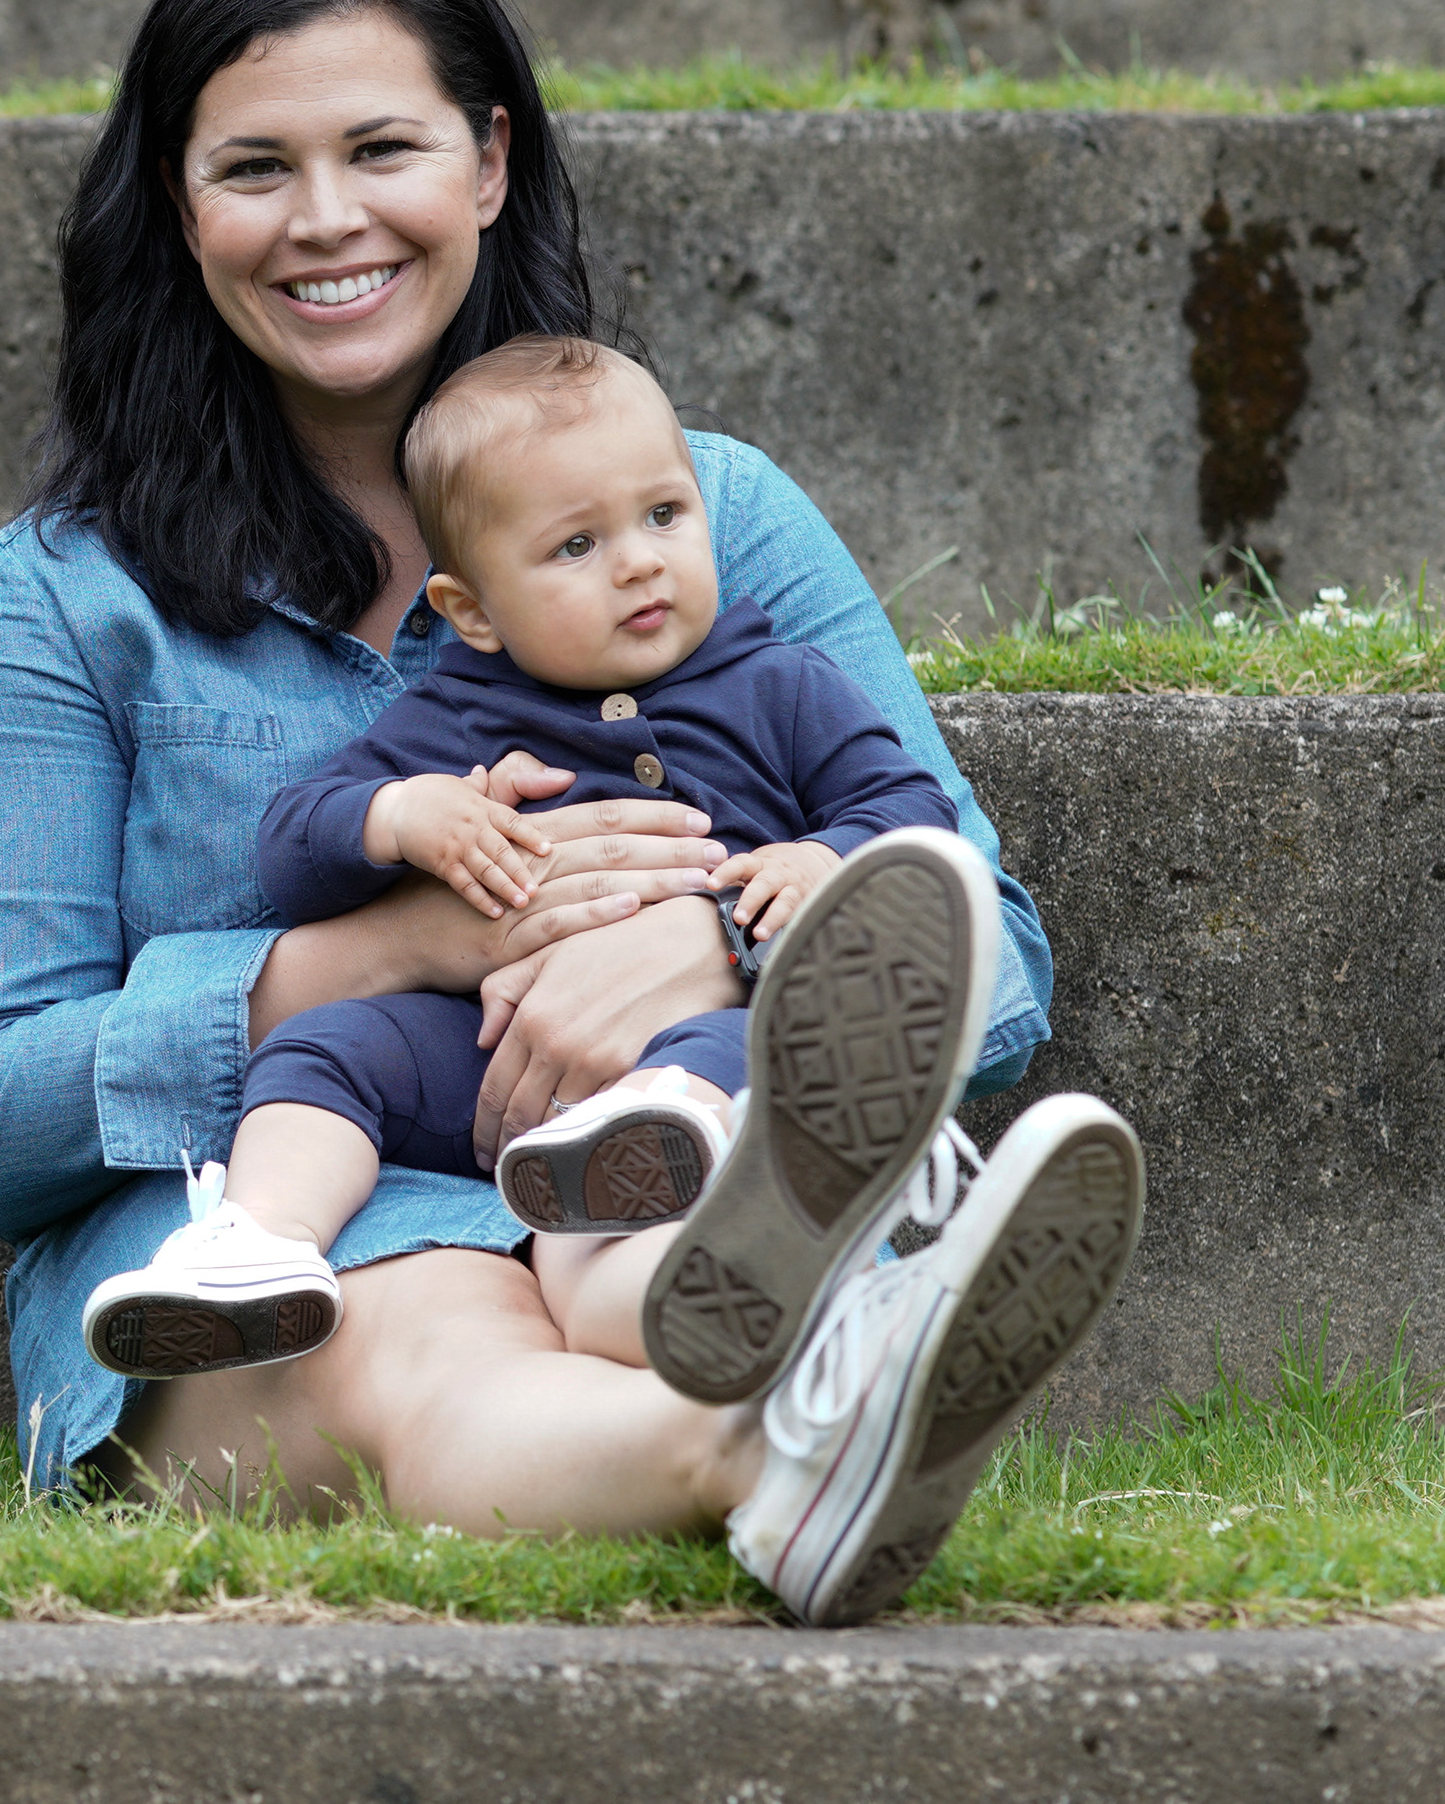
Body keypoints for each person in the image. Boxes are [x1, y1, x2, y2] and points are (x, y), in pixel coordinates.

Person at [0, 0, 1143, 1627]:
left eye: (381, 148)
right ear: (180, 210)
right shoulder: (62, 597)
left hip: (653, 1169)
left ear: (487, 163)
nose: (324, 218)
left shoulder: (708, 515)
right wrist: (386, 953)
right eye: (253, 167)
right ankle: (789, 1439)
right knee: (426, 1328)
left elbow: (989, 952)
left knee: (642, 1259)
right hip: (258, 1248)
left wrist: (710, 946)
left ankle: (807, 1389)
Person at [76, 334, 973, 1395]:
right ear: (472, 612)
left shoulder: (781, 682)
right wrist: (402, 815)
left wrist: (826, 856)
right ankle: (258, 1240)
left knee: (752, 1047)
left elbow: (914, 814)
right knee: (327, 1047)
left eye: (665, 514)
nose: (638, 561)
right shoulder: (456, 714)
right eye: (576, 545)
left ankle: (666, 1185)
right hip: (485, 1054)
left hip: (701, 1041)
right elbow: (291, 851)